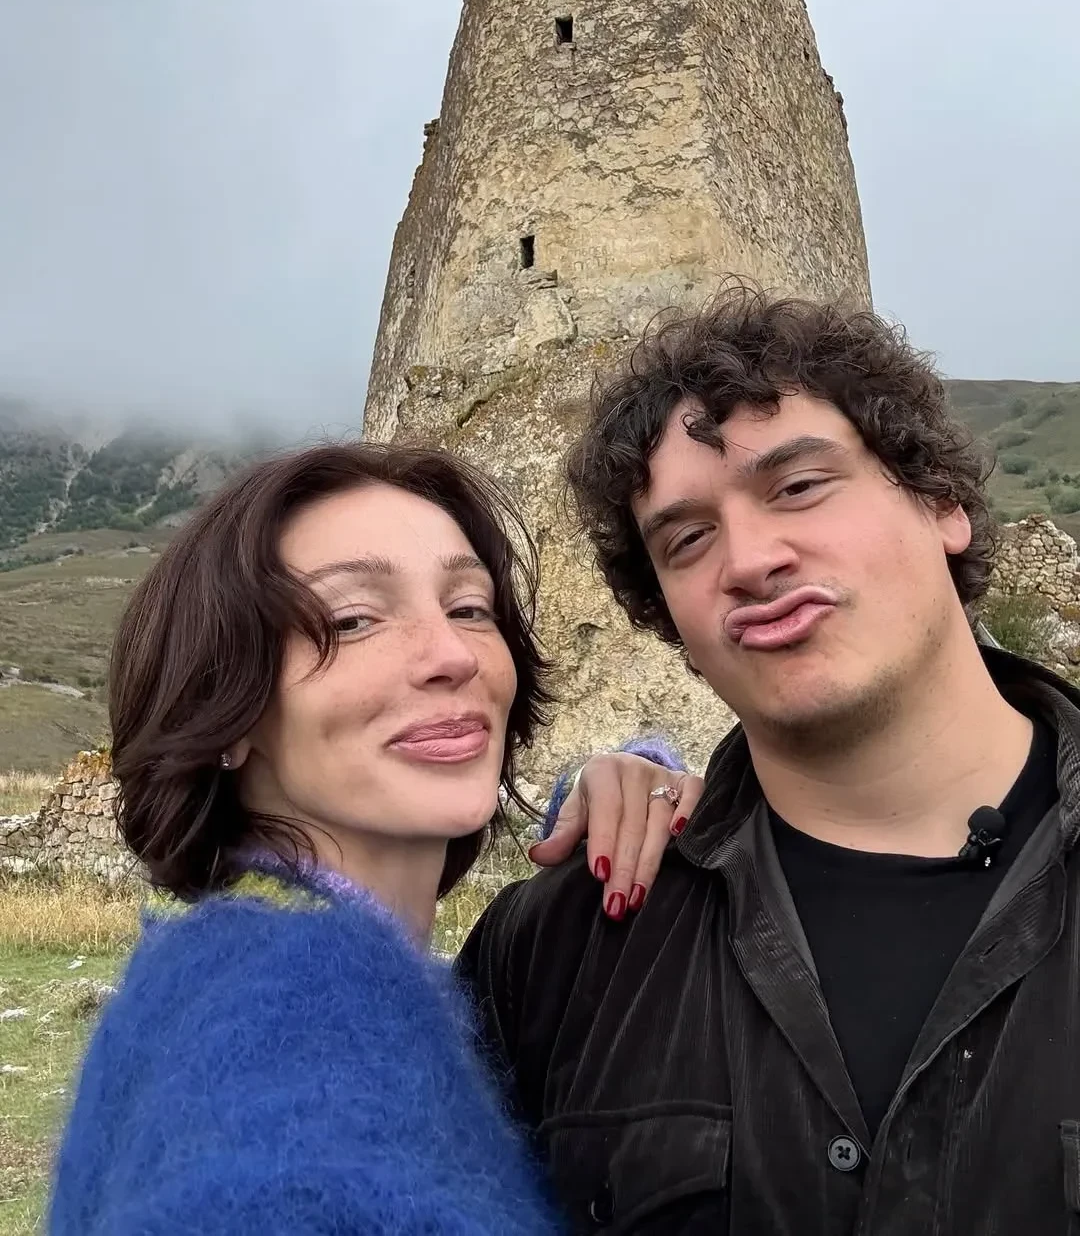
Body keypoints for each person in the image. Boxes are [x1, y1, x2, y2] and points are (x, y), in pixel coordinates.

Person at [458, 288, 1080, 1234]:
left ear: (941, 502)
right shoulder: (560, 946)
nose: (748, 561)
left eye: (798, 486)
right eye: (688, 539)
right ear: (667, 614)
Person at [49, 442, 699, 1236]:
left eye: (470, 608)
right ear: (226, 709)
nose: (452, 655)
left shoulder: (257, 969)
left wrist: (613, 799)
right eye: (352, 620)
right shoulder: (281, 1039)